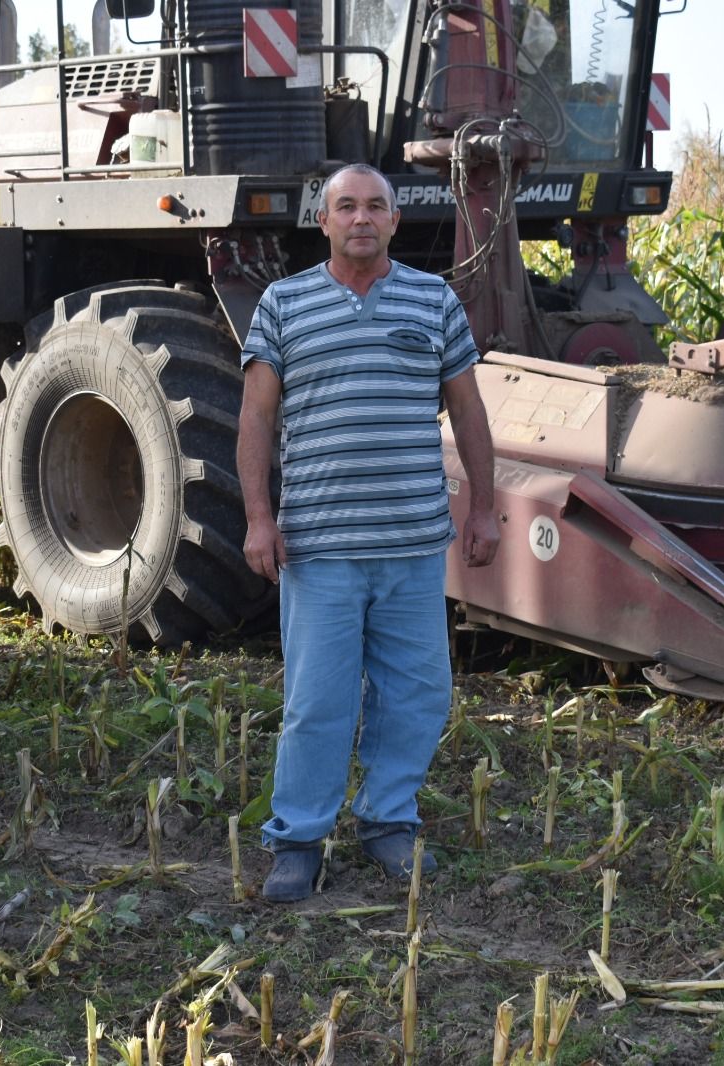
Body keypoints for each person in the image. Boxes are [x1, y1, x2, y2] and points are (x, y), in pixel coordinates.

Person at [236, 163, 499, 903]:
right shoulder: (284, 305)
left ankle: (388, 822)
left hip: (414, 544)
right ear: (322, 221)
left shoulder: (432, 299)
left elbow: (470, 412)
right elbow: (256, 418)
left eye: (374, 206)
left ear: (394, 221)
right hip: (320, 547)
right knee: (319, 701)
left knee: (415, 694)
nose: (360, 218)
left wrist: (482, 507)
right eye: (345, 206)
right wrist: (260, 517)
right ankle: (297, 839)